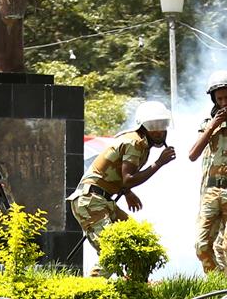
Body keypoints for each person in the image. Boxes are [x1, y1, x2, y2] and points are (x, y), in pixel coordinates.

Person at [67, 101, 177, 276]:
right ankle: (90, 292)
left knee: (139, 242)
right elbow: (128, 178)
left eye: (162, 126)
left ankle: (135, 290)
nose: (159, 131)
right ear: (143, 126)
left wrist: (127, 192)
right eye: (153, 126)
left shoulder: (138, 142)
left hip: (102, 200)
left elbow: (117, 174)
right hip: (91, 201)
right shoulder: (135, 143)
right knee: (113, 252)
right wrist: (159, 163)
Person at [188, 71, 227, 276]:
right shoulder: (207, 123)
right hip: (211, 191)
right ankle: (216, 284)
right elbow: (192, 154)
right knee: (202, 245)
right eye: (219, 99)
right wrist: (213, 125)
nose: (224, 103)